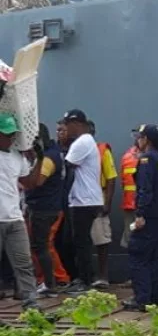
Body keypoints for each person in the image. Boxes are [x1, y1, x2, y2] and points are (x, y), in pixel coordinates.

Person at [123, 125, 158, 311]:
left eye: (140, 137)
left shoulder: (146, 159)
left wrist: (141, 213)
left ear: (146, 139)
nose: (138, 140)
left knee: (138, 255)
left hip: (148, 215)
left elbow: (145, 188)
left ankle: (141, 299)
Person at [0, 114, 44, 309]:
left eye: (12, 134)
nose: (11, 138)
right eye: (6, 134)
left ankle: (31, 303)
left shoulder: (16, 156)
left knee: (24, 263)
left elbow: (30, 183)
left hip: (14, 219)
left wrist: (40, 159)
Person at [59, 109, 105, 295]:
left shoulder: (83, 141)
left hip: (84, 201)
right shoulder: (84, 141)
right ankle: (80, 277)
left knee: (81, 242)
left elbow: (67, 164)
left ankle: (85, 280)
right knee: (71, 241)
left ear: (76, 124)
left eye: (67, 125)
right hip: (81, 200)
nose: (65, 129)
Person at [25, 123, 66, 295]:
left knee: (41, 246)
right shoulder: (55, 153)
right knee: (42, 246)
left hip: (44, 208)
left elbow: (37, 182)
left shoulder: (47, 158)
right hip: (50, 206)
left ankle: (51, 283)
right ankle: (51, 281)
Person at [87, 120, 118, 289]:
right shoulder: (73, 150)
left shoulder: (102, 151)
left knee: (101, 239)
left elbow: (111, 177)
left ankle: (103, 276)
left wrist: (107, 203)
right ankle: (84, 276)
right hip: (80, 199)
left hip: (98, 195)